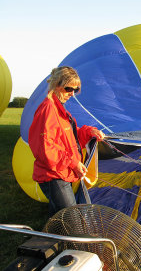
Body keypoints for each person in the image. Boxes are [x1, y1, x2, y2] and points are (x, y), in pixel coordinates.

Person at [28, 66, 105, 216]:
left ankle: (54, 239)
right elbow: (44, 148)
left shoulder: (61, 111)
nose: (72, 94)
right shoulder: (48, 110)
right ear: (57, 84)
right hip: (53, 176)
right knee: (72, 218)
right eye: (69, 88)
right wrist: (73, 162)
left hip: (63, 172)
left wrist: (90, 132)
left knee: (59, 218)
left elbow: (72, 138)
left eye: (75, 90)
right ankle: (68, 239)